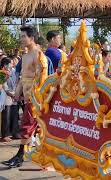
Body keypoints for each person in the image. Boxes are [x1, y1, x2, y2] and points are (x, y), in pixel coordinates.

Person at [2, 26, 47, 168]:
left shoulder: (39, 55)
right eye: (21, 36)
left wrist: (35, 96)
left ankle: (20, 156)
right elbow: (23, 77)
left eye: (23, 36)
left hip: (35, 97)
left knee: (27, 126)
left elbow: (42, 79)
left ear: (31, 38)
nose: (21, 39)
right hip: (27, 95)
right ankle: (23, 155)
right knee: (31, 126)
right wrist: (17, 92)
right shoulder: (26, 55)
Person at [1, 57, 20, 142]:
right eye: (10, 63)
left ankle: (15, 132)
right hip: (6, 96)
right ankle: (5, 134)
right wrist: (11, 94)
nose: (12, 65)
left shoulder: (13, 71)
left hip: (14, 95)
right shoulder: (1, 72)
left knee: (14, 115)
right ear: (5, 65)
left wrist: (16, 93)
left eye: (12, 63)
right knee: (6, 116)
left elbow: (16, 82)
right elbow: (4, 86)